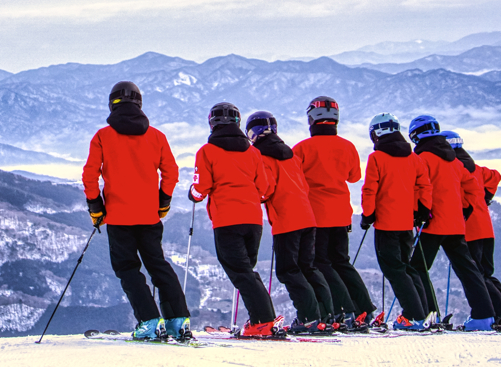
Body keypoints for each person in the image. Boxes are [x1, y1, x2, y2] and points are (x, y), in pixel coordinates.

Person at [82, 81, 192, 341]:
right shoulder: (156, 136)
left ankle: (150, 322)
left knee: (128, 269)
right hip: (149, 216)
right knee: (158, 265)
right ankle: (179, 322)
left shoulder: (102, 136)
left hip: (119, 218)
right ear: (140, 104)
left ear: (112, 104)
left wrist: (96, 208)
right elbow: (171, 173)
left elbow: (89, 176)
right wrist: (163, 202)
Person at [189, 102, 281, 338]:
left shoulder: (207, 152)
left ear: (212, 123)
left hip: (227, 220)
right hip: (253, 221)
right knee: (246, 271)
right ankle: (261, 319)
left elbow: (202, 187)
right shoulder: (253, 152)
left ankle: (263, 321)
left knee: (241, 273)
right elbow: (264, 188)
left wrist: (193, 194)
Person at [246, 111, 335, 334]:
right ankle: (326, 316)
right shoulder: (291, 154)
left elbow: (266, 189)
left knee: (288, 271)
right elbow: (303, 186)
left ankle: (308, 318)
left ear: (254, 133)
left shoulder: (262, 157)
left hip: (287, 219)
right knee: (309, 267)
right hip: (308, 216)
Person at [407, 116, 496, 331]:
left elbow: (420, 188)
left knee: (417, 268)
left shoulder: (421, 159)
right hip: (456, 225)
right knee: (468, 270)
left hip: (431, 224)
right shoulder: (454, 161)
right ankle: (484, 317)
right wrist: (465, 209)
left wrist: (419, 212)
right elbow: (474, 187)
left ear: (416, 135)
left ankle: (426, 314)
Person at [293, 96, 375, 330]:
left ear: (311, 120)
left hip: (314, 215)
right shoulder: (347, 146)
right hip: (341, 214)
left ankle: (342, 310)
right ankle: (364, 309)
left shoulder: (301, 149)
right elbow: (353, 177)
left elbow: (294, 179)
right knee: (341, 262)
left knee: (320, 263)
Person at [442, 130, 501, 332]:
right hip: (486, 228)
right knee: (487, 274)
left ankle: (497, 318)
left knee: (476, 275)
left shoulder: (455, 168)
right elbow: (495, 176)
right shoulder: (476, 168)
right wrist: (486, 196)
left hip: (469, 229)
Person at [360, 112, 434, 331]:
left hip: (385, 223)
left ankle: (413, 316)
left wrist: (368, 215)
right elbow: (424, 186)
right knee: (407, 268)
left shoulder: (377, 158)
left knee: (394, 270)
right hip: (406, 223)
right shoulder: (414, 158)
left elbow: (370, 189)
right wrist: (422, 211)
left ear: (378, 133)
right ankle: (423, 313)